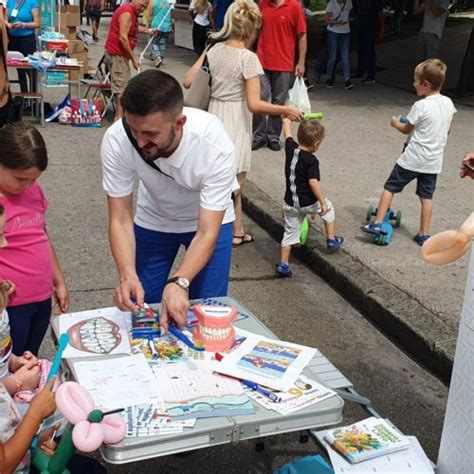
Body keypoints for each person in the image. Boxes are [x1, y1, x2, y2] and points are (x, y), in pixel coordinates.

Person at [101, 70, 236, 332]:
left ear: (179, 123)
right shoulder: (117, 139)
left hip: (206, 221)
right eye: (134, 130)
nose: (140, 141)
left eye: (150, 133)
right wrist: (127, 274)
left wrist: (180, 281)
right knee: (143, 309)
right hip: (155, 218)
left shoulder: (214, 144)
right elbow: (120, 218)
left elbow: (208, 230)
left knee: (205, 313)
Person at [183, 0, 302, 247]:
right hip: (235, 120)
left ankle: (237, 229)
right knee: (235, 182)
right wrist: (285, 110)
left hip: (212, 116)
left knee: (218, 179)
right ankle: (214, 232)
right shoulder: (248, 59)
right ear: (252, 29)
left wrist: (207, 50)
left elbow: (188, 81)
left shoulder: (214, 50)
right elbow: (254, 104)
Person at [362, 59, 456, 246]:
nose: (413, 84)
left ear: (425, 84)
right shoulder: (448, 103)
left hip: (413, 158)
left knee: (390, 187)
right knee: (426, 197)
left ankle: (378, 222)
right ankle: (424, 233)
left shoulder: (420, 106)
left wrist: (395, 122)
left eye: (416, 80)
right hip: (433, 161)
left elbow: (406, 129)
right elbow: (447, 130)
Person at [0, 123, 69, 356]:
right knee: (9, 365)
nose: (28, 186)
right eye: (21, 179)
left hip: (40, 298)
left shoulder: (33, 192)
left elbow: (42, 234)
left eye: (34, 179)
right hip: (10, 304)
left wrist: (58, 279)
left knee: (31, 358)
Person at [275, 118, 343, 277]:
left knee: (289, 234)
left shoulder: (290, 149)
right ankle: (331, 239)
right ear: (316, 144)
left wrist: (286, 121)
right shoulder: (312, 160)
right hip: (309, 203)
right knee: (329, 208)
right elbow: (313, 183)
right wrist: (322, 202)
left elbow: (287, 135)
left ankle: (283, 264)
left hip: (290, 203)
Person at [252, 0, 307, 152]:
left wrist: (301, 62)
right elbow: (254, 30)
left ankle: (273, 136)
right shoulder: (263, 5)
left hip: (284, 63)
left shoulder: (294, 7)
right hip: (262, 61)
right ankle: (258, 136)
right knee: (260, 97)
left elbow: (302, 35)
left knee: (279, 101)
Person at [104, 0, 154, 121]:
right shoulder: (127, 12)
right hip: (118, 54)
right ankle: (119, 117)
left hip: (120, 55)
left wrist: (148, 30)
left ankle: (121, 115)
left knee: (123, 84)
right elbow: (123, 38)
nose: (142, 9)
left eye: (145, 8)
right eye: (142, 6)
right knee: (121, 87)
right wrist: (133, 58)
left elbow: (133, 27)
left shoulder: (131, 12)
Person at [5, 0, 40, 93]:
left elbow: (37, 23)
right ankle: (23, 95)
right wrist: (8, 24)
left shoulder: (32, 3)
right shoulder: (10, 2)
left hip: (27, 40)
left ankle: (33, 96)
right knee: (19, 70)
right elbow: (5, 18)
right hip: (13, 39)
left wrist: (23, 25)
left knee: (30, 69)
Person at [325, 0, 353, 90]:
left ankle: (347, 79)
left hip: (345, 31)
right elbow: (327, 20)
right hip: (333, 32)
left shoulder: (348, 3)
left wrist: (348, 20)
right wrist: (337, 22)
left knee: (345, 56)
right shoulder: (331, 4)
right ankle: (329, 77)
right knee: (332, 57)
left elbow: (351, 15)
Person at [354, 0, 383, 83]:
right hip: (362, 21)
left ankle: (371, 74)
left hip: (370, 22)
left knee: (369, 49)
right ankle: (361, 71)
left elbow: (378, 9)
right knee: (361, 47)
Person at [148, 0, 173, 68]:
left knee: (154, 42)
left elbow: (150, 14)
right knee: (162, 42)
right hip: (166, 26)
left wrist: (148, 25)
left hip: (156, 25)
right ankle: (161, 56)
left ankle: (157, 56)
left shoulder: (153, 2)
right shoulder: (168, 2)